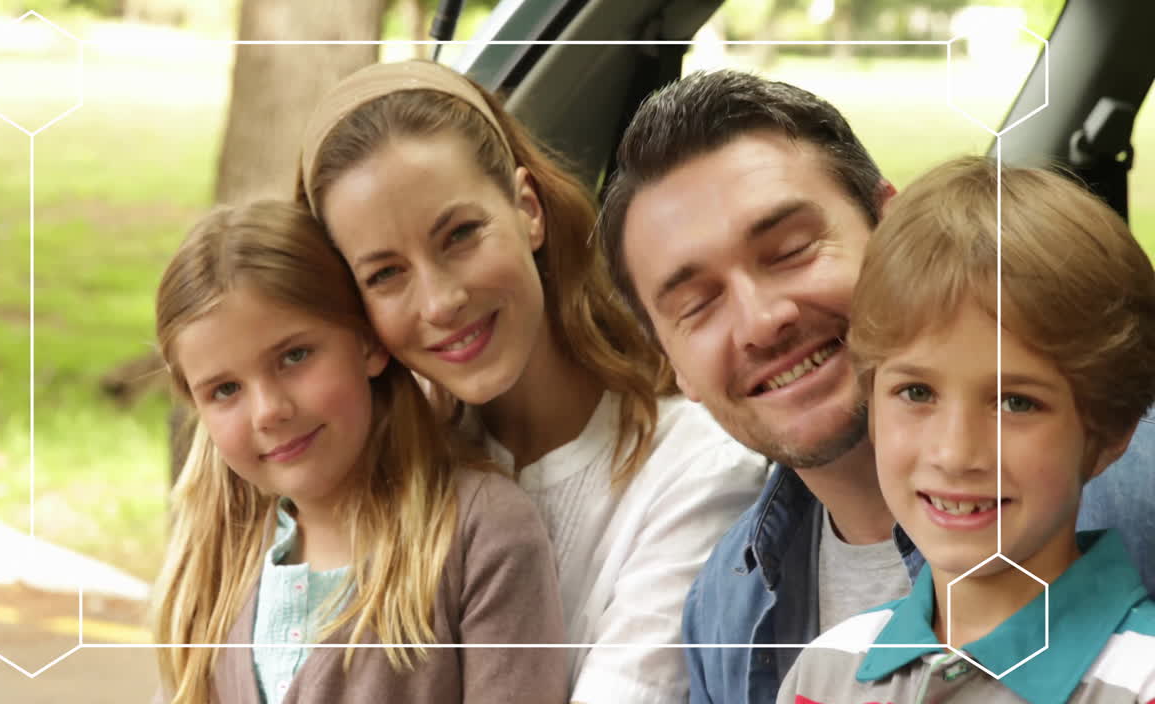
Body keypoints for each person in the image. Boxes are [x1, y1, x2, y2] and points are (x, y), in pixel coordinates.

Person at [596, 69, 1155, 704]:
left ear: (894, 228)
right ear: (668, 361)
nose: (761, 321)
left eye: (792, 250)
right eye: (696, 304)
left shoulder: (1139, 498)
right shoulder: (726, 605)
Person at [296, 59, 769, 704]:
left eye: (460, 234)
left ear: (527, 209)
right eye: (385, 274)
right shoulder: (381, 477)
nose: (440, 302)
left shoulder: (699, 468)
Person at [150, 200, 568, 704]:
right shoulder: (218, 561)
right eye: (224, 390)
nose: (268, 411)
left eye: (294, 356)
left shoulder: (479, 533)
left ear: (368, 343)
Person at [779, 157, 1155, 701]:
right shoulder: (824, 673)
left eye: (1016, 402)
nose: (955, 453)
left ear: (1111, 429)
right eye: (916, 393)